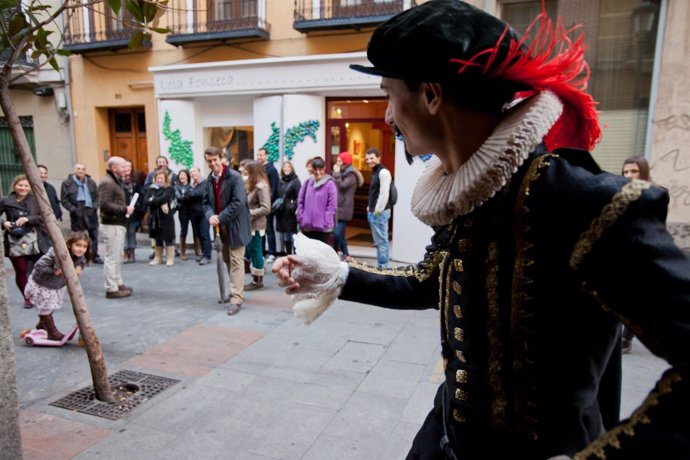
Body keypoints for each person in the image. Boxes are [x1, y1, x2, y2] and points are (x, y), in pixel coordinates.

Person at [273, 1, 690, 459]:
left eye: (390, 93)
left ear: (431, 95)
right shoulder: (465, 194)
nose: (388, 115)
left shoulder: (585, 202)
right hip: (443, 441)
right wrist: (338, 274)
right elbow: (432, 277)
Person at [202, 147, 252, 315]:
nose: (212, 163)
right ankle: (235, 289)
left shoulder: (235, 177)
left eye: (215, 160)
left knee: (236, 261)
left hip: (236, 225)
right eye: (209, 161)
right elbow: (206, 203)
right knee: (227, 259)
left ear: (222, 158)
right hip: (220, 227)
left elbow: (238, 202)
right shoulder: (209, 180)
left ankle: (236, 299)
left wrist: (220, 217)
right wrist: (210, 215)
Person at [23, 231, 90, 340]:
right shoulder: (55, 253)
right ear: (69, 244)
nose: (81, 249)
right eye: (78, 245)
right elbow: (38, 266)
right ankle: (52, 332)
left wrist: (79, 268)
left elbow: (81, 262)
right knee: (46, 307)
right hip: (42, 284)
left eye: (84, 246)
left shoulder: (79, 257)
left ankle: (42, 325)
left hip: (55, 286)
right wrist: (54, 271)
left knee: (50, 306)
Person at [620, 155, 653, 354]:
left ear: (643, 172)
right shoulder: (618, 192)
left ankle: (627, 338)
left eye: (634, 171)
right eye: (626, 172)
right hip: (622, 251)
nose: (629, 175)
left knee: (636, 299)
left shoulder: (655, 194)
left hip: (643, 251)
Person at [1, 175, 49, 308]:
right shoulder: (6, 200)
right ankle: (27, 297)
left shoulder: (35, 200)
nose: (23, 188)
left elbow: (45, 216)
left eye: (26, 186)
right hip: (15, 241)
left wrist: (29, 219)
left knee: (40, 268)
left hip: (35, 239)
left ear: (30, 188)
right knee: (21, 270)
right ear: (14, 186)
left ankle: (42, 294)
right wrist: (4, 222)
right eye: (20, 185)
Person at [98, 156, 134, 299]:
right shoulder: (107, 182)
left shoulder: (115, 181)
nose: (126, 169)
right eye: (123, 166)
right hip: (111, 223)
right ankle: (111, 288)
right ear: (114, 168)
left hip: (117, 223)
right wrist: (124, 209)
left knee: (118, 255)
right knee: (112, 257)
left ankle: (118, 283)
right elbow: (105, 204)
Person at [60, 163, 102, 264]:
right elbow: (64, 200)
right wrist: (73, 210)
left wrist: (95, 207)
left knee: (94, 236)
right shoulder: (67, 183)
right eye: (78, 169)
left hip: (90, 212)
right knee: (78, 237)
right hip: (77, 213)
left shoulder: (91, 183)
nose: (81, 171)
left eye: (83, 169)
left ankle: (94, 255)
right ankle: (79, 257)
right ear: (74, 170)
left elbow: (98, 197)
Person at [241, 160, 271, 290]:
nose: (244, 173)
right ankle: (254, 276)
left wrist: (249, 213)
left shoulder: (261, 187)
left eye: (247, 172)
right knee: (251, 250)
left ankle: (258, 281)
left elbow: (266, 208)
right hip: (250, 225)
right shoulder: (253, 186)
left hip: (257, 226)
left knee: (256, 252)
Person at [296, 156, 337, 244]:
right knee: (308, 255)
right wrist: (301, 217)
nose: (318, 172)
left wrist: (326, 221)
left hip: (323, 228)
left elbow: (332, 205)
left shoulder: (330, 184)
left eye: (320, 169)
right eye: (315, 169)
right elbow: (300, 201)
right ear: (312, 169)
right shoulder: (307, 182)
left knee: (321, 255)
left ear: (324, 168)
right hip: (307, 226)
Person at [365, 147, 393, 268]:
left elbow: (384, 194)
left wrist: (376, 210)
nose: (369, 160)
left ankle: (383, 268)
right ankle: (381, 266)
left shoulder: (383, 172)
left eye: (372, 158)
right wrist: (369, 207)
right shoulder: (375, 172)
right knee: (379, 242)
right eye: (367, 159)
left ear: (378, 158)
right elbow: (374, 192)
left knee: (382, 242)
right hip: (374, 212)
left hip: (379, 213)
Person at [332, 151, 360, 262]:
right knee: (341, 234)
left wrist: (336, 173)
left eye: (339, 160)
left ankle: (333, 253)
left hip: (345, 208)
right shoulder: (342, 172)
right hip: (338, 207)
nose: (337, 162)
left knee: (337, 233)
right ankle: (346, 254)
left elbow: (342, 186)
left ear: (345, 162)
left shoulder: (351, 175)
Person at [144, 170, 176, 267]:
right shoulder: (151, 189)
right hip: (154, 218)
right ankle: (158, 257)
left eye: (162, 178)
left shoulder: (169, 189)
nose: (159, 180)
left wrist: (153, 200)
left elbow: (164, 198)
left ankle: (170, 258)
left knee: (168, 238)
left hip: (166, 218)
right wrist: (155, 201)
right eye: (158, 178)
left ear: (165, 179)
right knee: (157, 238)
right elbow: (145, 201)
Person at [185, 166, 212, 265]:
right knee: (198, 235)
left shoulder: (205, 183)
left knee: (205, 234)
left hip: (204, 214)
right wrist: (189, 194)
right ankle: (203, 253)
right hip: (194, 214)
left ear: (199, 172)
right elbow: (187, 196)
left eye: (194, 171)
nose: (192, 174)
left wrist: (190, 194)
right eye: (191, 172)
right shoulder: (192, 185)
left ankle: (207, 255)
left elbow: (199, 194)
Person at [257, 147, 279, 263]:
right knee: (260, 230)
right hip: (258, 205)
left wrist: (268, 202)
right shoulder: (257, 169)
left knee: (269, 229)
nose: (259, 157)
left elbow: (274, 188)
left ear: (266, 155)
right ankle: (261, 252)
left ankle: (272, 252)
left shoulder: (272, 170)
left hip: (267, 205)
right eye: (258, 155)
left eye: (261, 155)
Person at [275, 160, 301, 255]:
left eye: (288, 167)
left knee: (293, 235)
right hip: (282, 212)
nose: (286, 169)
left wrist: (293, 205)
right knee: (286, 235)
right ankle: (288, 254)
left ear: (292, 169)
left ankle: (295, 255)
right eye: (284, 167)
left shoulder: (295, 181)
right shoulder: (281, 181)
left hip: (291, 212)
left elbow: (300, 196)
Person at [123, 159, 144, 263]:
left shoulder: (135, 180)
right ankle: (125, 252)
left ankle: (132, 252)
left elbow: (140, 194)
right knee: (123, 232)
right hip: (122, 211)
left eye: (129, 167)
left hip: (133, 211)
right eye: (125, 167)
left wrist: (138, 206)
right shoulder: (118, 180)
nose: (127, 169)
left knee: (131, 232)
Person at [174, 169, 192, 261]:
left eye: (184, 175)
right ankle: (183, 252)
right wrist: (186, 197)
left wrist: (185, 197)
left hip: (192, 210)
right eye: (180, 175)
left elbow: (192, 196)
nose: (182, 177)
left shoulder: (191, 186)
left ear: (187, 176)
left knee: (196, 230)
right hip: (182, 211)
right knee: (183, 230)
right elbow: (179, 198)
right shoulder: (176, 187)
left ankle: (198, 250)